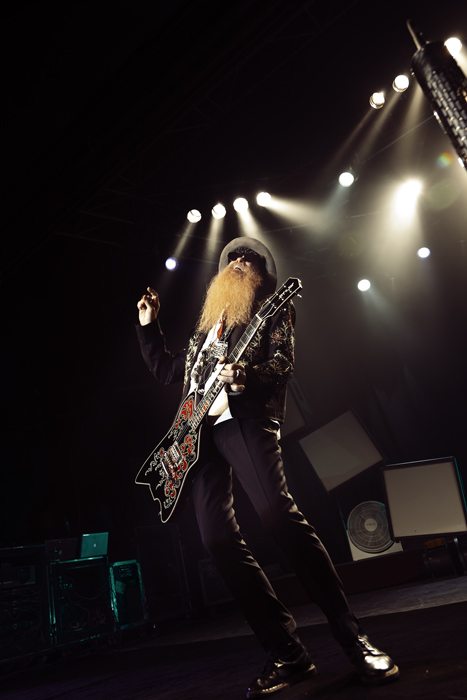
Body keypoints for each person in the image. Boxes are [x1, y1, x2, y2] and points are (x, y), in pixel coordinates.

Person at [136, 236, 399, 698]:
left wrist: (244, 376)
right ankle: (288, 654)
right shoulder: (205, 328)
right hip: (197, 438)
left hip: (244, 420)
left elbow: (283, 363)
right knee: (216, 539)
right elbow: (169, 371)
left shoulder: (271, 309)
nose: (239, 261)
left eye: (250, 259)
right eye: (233, 257)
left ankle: (353, 640)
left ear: (262, 275)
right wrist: (149, 326)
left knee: (278, 515)